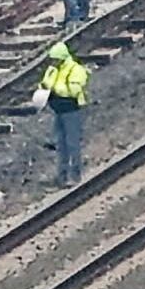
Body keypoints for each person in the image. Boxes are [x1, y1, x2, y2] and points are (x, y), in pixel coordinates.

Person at [41, 38, 91, 187]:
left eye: (55, 59)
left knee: (72, 144)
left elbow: (74, 90)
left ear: (62, 58)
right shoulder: (53, 70)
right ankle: (62, 176)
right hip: (58, 110)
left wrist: (55, 89)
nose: (53, 62)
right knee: (61, 145)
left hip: (71, 110)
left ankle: (75, 176)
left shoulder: (76, 70)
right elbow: (45, 83)